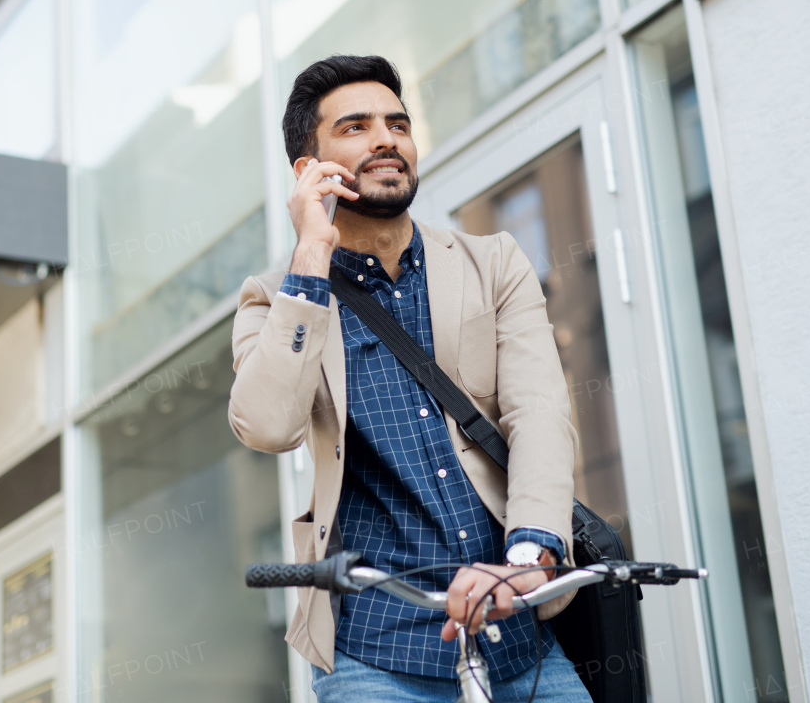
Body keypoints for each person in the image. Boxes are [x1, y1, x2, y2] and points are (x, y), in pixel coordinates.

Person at [227, 55, 592, 702]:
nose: (385, 139)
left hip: (518, 641)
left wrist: (527, 558)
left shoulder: (493, 264)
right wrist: (311, 256)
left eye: (397, 123)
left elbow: (538, 412)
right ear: (309, 168)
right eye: (356, 127)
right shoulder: (275, 299)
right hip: (375, 654)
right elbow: (265, 425)